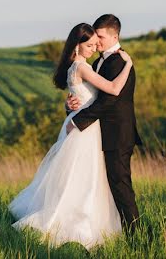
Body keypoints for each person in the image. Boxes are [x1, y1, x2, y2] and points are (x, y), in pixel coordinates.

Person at [9, 22, 135, 249]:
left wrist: (71, 107)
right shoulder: (84, 67)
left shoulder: (80, 67)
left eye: (96, 42)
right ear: (77, 46)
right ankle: (78, 227)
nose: (94, 47)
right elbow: (114, 89)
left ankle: (92, 225)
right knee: (83, 181)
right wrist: (129, 65)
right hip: (85, 131)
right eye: (89, 44)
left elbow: (85, 98)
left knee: (85, 180)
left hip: (86, 127)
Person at [66, 13, 142, 235]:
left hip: (118, 134)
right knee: (103, 187)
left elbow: (110, 100)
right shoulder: (98, 61)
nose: (96, 42)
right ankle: (111, 231)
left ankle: (137, 237)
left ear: (114, 35)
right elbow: (90, 96)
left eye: (100, 36)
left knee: (120, 186)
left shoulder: (119, 61)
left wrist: (78, 121)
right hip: (100, 135)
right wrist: (72, 105)